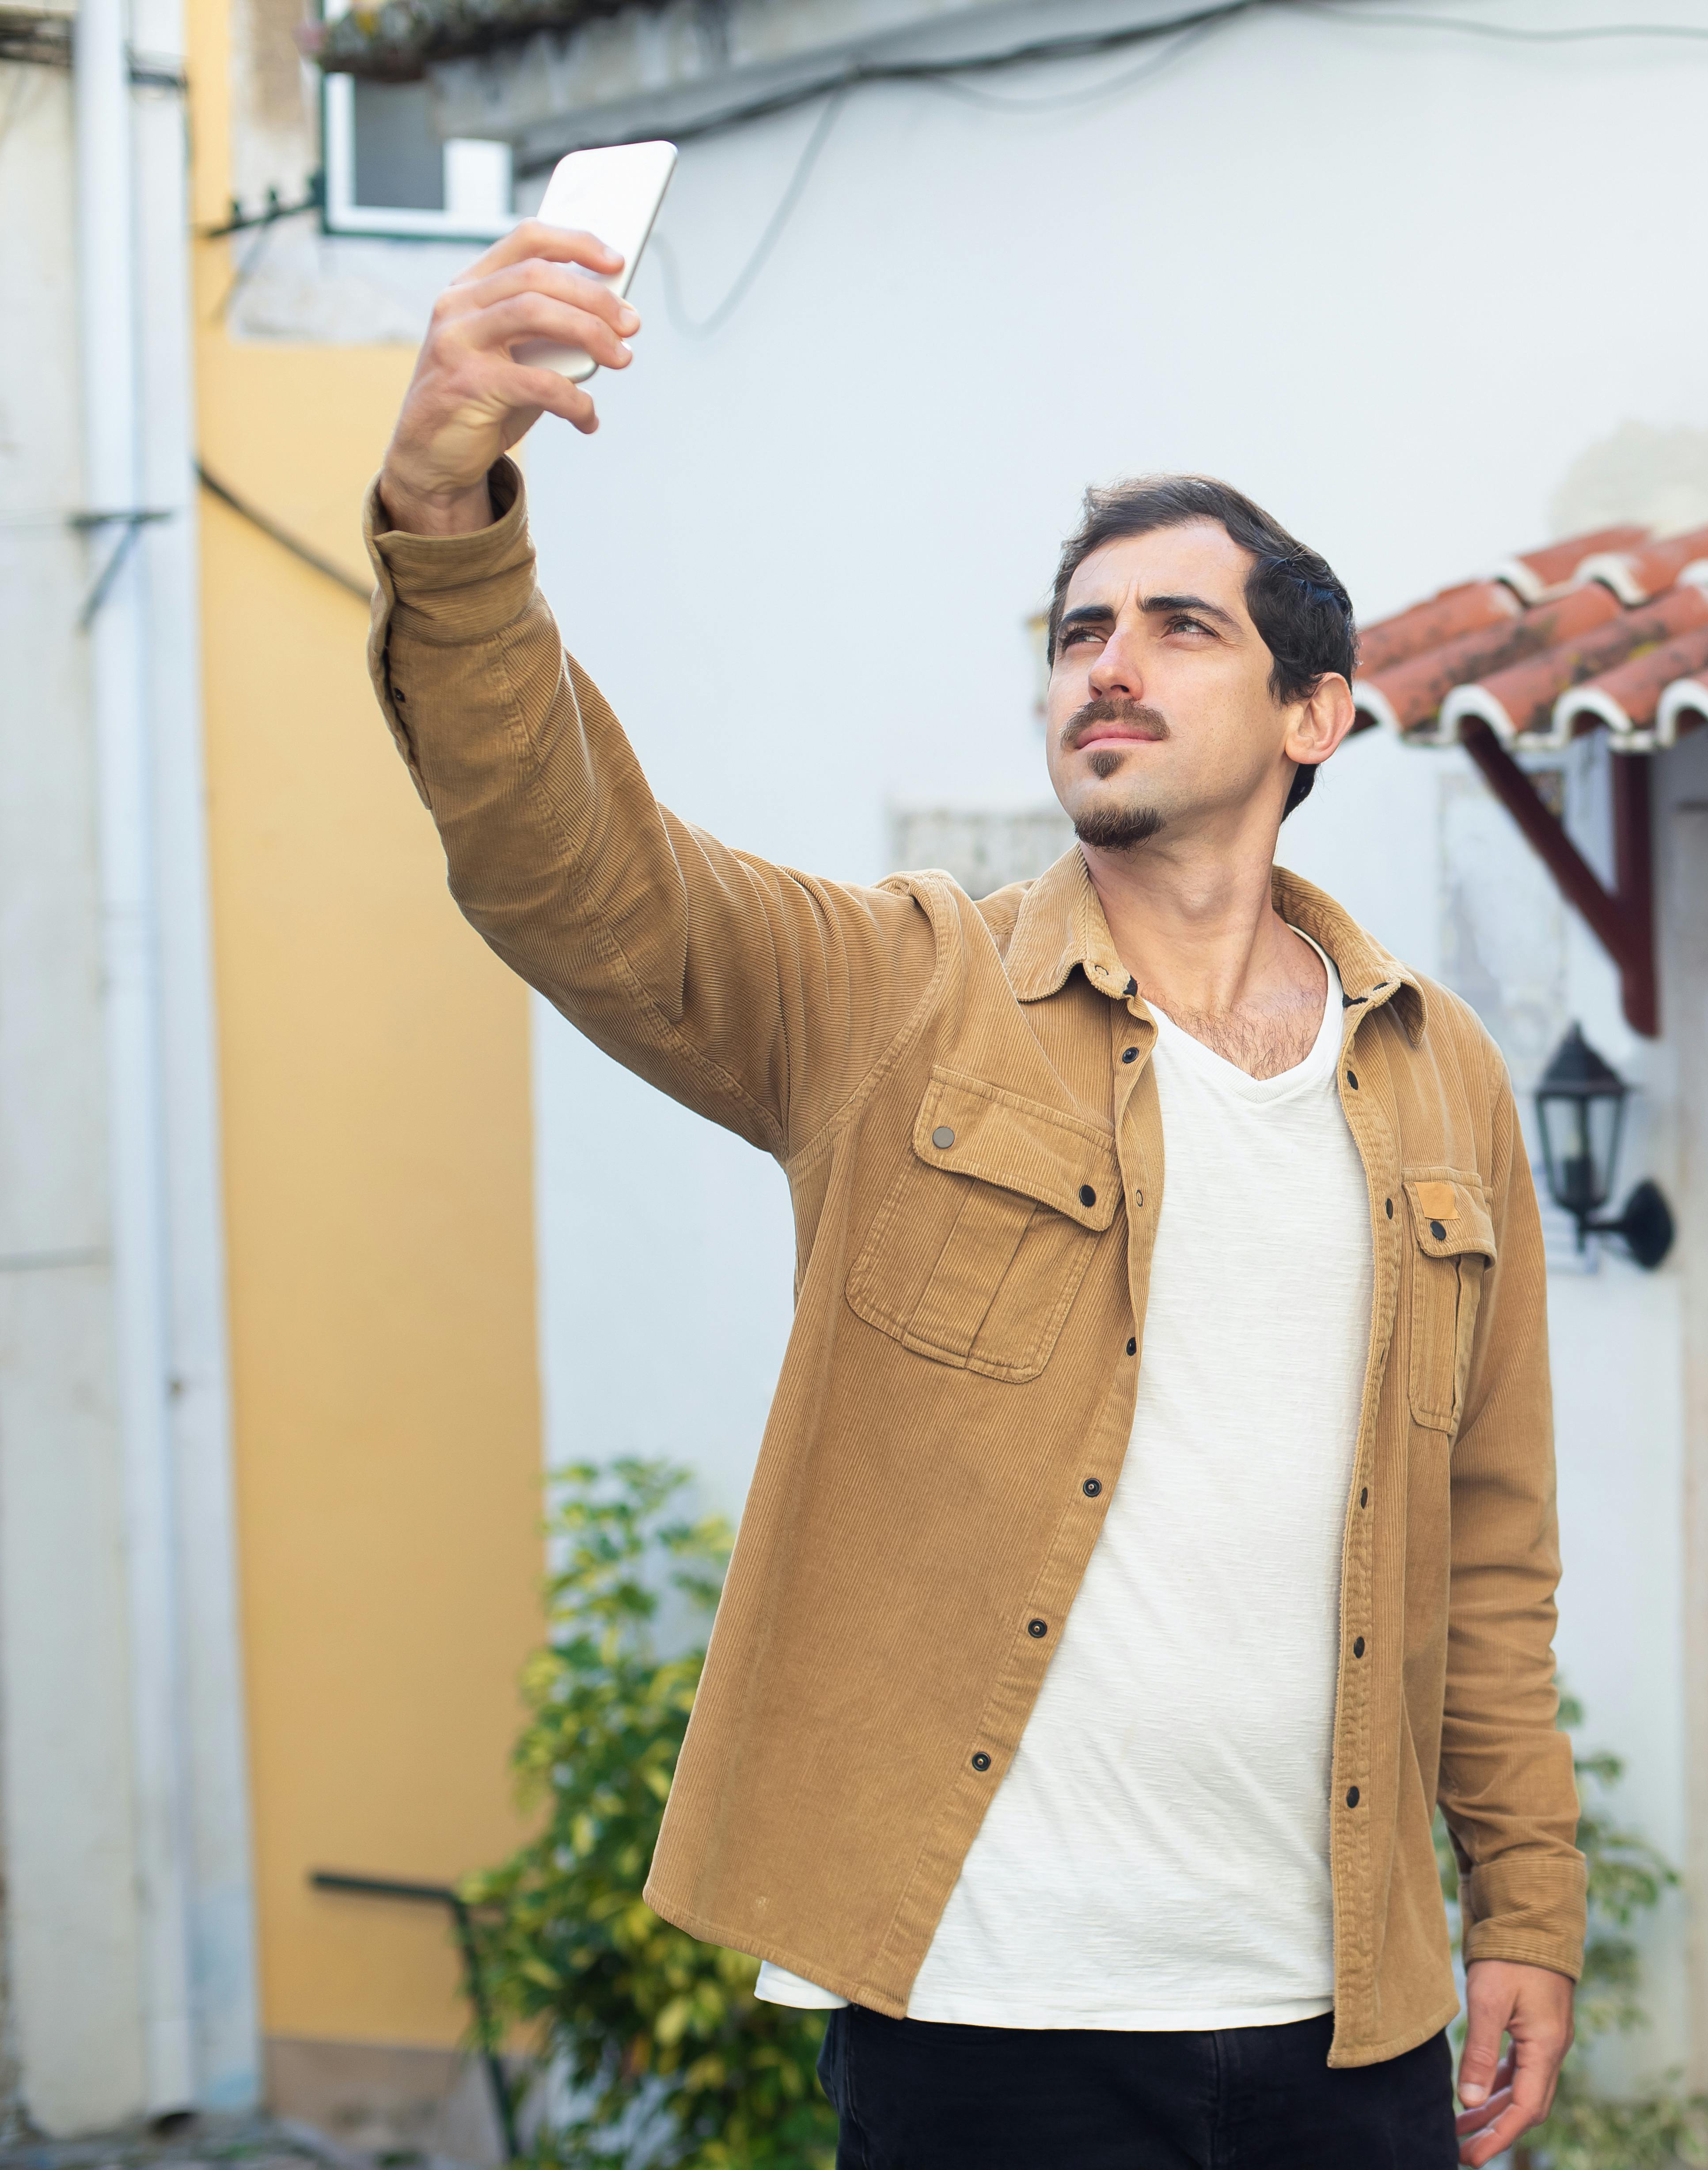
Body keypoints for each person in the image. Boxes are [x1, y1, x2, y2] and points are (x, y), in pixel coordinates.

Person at [364, 221, 1581, 2168]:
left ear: (1314, 715)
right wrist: (448, 500)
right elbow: (564, 867)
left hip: (1340, 2024)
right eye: (1080, 631)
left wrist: (1529, 1905)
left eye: (1182, 628)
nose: (1109, 663)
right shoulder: (894, 995)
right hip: (988, 2014)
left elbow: (1493, 1548)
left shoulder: (1441, 1080)